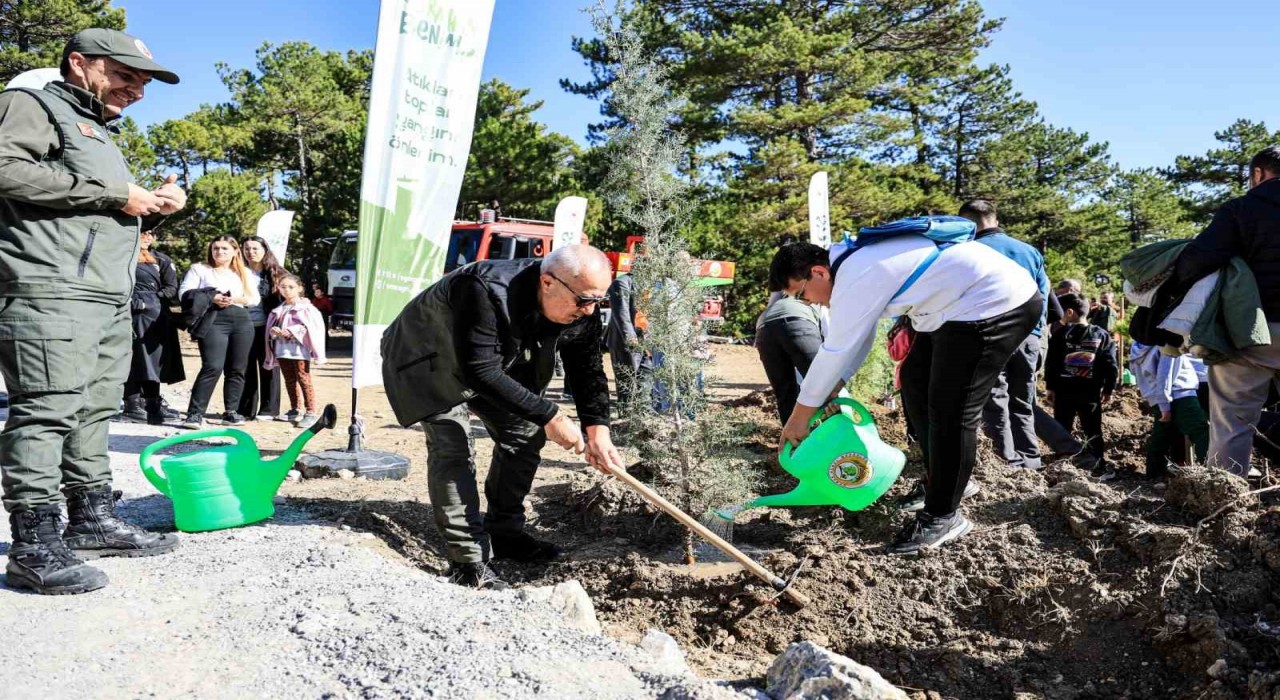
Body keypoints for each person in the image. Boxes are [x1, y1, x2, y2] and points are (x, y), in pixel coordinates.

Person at [0, 28, 185, 594]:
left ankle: (90, 519)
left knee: (94, 409)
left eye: (145, 81)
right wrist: (112, 193)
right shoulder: (30, 103)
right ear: (79, 63)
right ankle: (33, 545)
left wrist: (151, 208)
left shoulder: (98, 130)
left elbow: (83, 211)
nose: (137, 90)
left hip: (104, 295)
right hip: (49, 288)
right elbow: (5, 168)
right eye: (125, 75)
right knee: (48, 408)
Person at [770, 237, 1039, 554]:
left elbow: (836, 349)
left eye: (802, 294)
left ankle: (944, 515)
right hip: (954, 307)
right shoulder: (851, 267)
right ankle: (943, 479)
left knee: (951, 411)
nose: (810, 303)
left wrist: (798, 419)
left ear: (818, 273)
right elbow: (859, 337)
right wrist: (833, 386)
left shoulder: (857, 274)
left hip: (994, 302)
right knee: (914, 380)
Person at [381, 245, 626, 588]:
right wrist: (551, 415)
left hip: (492, 362)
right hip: (427, 356)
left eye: (598, 301)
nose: (589, 311)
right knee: (453, 445)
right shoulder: (482, 289)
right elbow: (480, 371)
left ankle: (504, 533)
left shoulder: (580, 310)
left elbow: (588, 372)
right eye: (584, 300)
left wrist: (598, 431)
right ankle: (468, 562)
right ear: (547, 283)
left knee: (525, 434)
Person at [1170, 146, 1280, 477]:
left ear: (1258, 174)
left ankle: (1225, 507)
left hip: (1253, 331)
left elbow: (1197, 259)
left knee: (1232, 420)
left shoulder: (1241, 208)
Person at [961, 200, 1050, 470]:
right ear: (995, 220)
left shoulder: (966, 251)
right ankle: (1032, 459)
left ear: (966, 223)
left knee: (995, 399)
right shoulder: (1029, 251)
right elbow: (1042, 295)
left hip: (990, 335)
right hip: (1028, 336)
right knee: (1023, 400)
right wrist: (1036, 334)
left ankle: (1007, 459)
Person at [179, 236, 259, 430]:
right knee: (212, 366)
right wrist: (212, 297)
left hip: (241, 320)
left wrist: (235, 299)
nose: (220, 252)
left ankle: (231, 411)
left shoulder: (244, 272)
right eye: (216, 248)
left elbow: (254, 299)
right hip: (213, 320)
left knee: (237, 369)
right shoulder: (199, 269)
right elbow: (184, 293)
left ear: (234, 251)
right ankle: (195, 414)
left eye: (225, 249)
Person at [1046, 294, 1119, 479]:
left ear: (1069, 313)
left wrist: (1050, 387)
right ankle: (1097, 465)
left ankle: (1063, 463)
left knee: (1062, 428)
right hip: (1090, 392)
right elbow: (1111, 364)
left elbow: (1052, 362)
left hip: (1064, 391)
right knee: (1092, 429)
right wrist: (1109, 389)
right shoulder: (1101, 335)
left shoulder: (1060, 334)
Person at [117, 229, 184, 424]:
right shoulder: (124, 257)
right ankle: (132, 403)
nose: (145, 237)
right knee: (132, 357)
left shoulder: (161, 260)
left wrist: (154, 299)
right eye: (142, 233)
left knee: (153, 361)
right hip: (132, 313)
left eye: (149, 234)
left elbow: (172, 288)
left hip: (156, 316)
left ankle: (152, 403)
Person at [1129, 341, 1209, 478]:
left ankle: (1154, 474)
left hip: (1159, 397)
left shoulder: (1139, 347)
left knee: (1163, 435)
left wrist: (1161, 402)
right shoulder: (1168, 343)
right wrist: (1165, 405)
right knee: (1200, 430)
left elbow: (1137, 373)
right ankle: (1213, 470)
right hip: (1180, 394)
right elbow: (1164, 375)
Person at [263, 274, 326, 428]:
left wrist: (291, 332)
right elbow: (271, 328)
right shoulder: (279, 310)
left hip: (299, 351)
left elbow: (311, 328)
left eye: (291, 287)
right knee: (289, 380)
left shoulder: (307, 309)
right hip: (282, 350)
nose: (287, 290)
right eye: (283, 287)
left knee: (303, 379)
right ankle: (294, 409)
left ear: (299, 288)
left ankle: (311, 412)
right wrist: (275, 331)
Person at [755, 289, 823, 425]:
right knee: (824, 386)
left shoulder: (788, 283)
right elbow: (832, 344)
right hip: (799, 321)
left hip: (764, 327)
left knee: (785, 394)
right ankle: (838, 441)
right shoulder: (824, 296)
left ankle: (793, 445)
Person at [239, 236, 284, 421]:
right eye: (247, 248)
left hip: (268, 327)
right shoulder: (238, 271)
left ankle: (269, 409)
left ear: (265, 250)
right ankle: (245, 410)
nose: (251, 252)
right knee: (244, 367)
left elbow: (290, 293)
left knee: (269, 366)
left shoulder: (276, 272)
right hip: (243, 325)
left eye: (255, 248)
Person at [604, 272, 652, 404]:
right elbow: (621, 314)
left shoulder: (651, 283)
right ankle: (626, 415)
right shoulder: (621, 283)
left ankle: (642, 411)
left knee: (646, 378)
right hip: (625, 342)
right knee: (627, 382)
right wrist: (631, 338)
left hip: (647, 340)